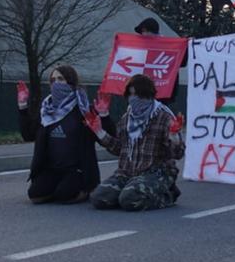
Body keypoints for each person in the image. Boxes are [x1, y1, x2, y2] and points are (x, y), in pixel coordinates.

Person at [85, 74, 185, 211]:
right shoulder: (127, 119)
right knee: (99, 198)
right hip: (127, 172)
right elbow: (119, 149)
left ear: (149, 95)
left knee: (129, 200)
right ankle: (131, 191)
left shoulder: (163, 117)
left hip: (155, 172)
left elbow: (178, 154)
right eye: (131, 95)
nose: (134, 98)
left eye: (139, 94)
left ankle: (168, 194)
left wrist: (174, 137)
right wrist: (99, 132)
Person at [16, 65, 105, 204]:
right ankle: (58, 189)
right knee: (35, 195)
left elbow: (104, 137)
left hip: (76, 169)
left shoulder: (83, 108)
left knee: (65, 195)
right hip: (52, 168)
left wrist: (104, 116)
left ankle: (85, 189)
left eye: (60, 79)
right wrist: (22, 106)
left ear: (71, 81)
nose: (56, 83)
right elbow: (28, 135)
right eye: (53, 80)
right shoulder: (46, 109)